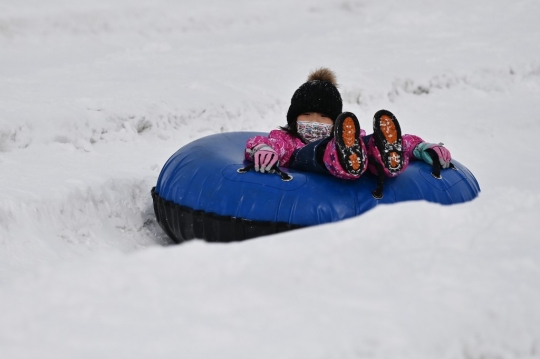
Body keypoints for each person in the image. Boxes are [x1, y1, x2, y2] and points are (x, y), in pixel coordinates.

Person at [244, 68, 452, 196]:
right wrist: (262, 148)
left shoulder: (348, 136)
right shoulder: (287, 140)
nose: (314, 122)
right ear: (293, 118)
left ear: (335, 122)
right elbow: (267, 143)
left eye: (324, 116)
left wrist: (418, 147)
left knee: (368, 143)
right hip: (318, 156)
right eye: (306, 114)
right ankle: (339, 155)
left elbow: (394, 140)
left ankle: (385, 155)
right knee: (317, 151)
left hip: (347, 147)